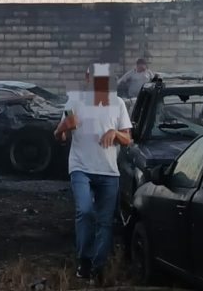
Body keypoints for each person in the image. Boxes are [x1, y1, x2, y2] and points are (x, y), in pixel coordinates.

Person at [55, 63, 132, 281]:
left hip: (109, 172)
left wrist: (114, 132)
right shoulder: (74, 102)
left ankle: (98, 269)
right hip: (81, 168)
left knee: (105, 222)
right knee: (85, 211)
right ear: (87, 78)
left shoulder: (118, 103)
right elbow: (59, 136)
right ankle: (84, 261)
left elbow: (127, 138)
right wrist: (64, 127)